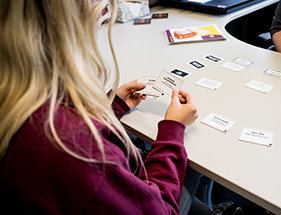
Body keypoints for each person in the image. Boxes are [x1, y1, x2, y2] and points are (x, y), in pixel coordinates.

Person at [0, 0, 200, 214]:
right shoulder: (75, 149)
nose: (105, 8)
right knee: (195, 170)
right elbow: (161, 211)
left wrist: (110, 107)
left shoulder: (17, 90)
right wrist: (173, 130)